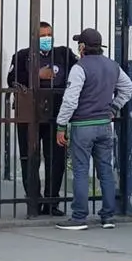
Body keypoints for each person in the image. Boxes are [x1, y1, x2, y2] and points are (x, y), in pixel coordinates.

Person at [54, 28, 132, 231]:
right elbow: (128, 88)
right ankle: (108, 216)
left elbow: (70, 100)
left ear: (82, 47)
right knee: (105, 170)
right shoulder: (112, 66)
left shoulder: (80, 68)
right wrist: (114, 107)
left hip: (83, 127)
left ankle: (79, 217)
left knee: (81, 170)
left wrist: (61, 125)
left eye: (79, 44)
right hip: (105, 126)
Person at [6, 21, 79, 216]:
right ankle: (34, 202)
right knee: (29, 158)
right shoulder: (22, 56)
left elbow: (79, 73)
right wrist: (36, 74)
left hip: (56, 114)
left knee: (56, 159)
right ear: (34, 38)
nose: (47, 39)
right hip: (29, 115)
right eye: (42, 36)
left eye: (49, 35)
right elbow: (12, 79)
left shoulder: (63, 54)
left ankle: (51, 202)